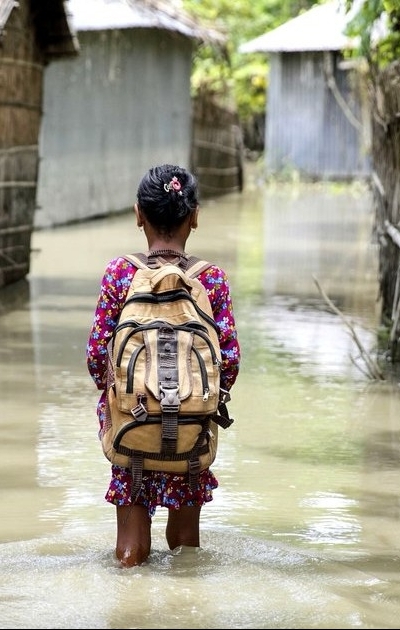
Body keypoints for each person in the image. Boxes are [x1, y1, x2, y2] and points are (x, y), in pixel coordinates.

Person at [85, 164, 241, 568]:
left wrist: (130, 393)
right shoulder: (211, 280)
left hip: (131, 424)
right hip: (191, 428)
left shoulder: (121, 274)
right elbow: (229, 363)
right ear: (195, 217)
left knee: (130, 552)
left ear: (139, 214)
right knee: (186, 550)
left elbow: (97, 358)